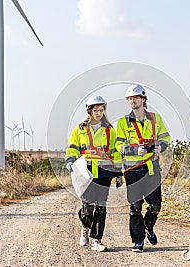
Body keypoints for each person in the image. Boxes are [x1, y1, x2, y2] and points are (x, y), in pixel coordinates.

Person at [115, 85, 170, 252]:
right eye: (130, 98)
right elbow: (119, 145)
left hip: (152, 168)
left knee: (155, 206)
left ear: (143, 99)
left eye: (136, 98)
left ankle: (147, 225)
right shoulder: (124, 122)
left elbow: (165, 138)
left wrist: (161, 146)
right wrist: (133, 150)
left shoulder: (155, 119)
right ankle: (138, 241)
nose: (132, 101)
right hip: (132, 169)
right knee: (135, 207)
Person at [65, 95, 121, 252]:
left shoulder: (109, 130)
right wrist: (70, 160)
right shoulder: (80, 129)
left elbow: (114, 152)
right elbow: (73, 147)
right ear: (89, 111)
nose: (99, 113)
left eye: (102, 110)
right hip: (86, 172)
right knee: (88, 207)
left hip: (104, 172)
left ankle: (97, 240)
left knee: (101, 207)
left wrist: (118, 173)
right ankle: (85, 227)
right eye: (96, 110)